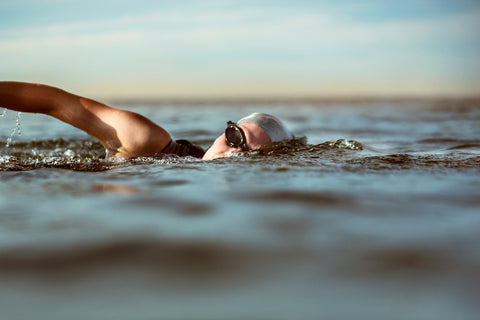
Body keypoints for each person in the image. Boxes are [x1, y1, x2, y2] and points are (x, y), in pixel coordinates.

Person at [0, 81, 293, 160]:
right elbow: (56, 102)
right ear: (224, 132)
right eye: (234, 138)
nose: (230, 153)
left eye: (248, 156)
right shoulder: (147, 139)